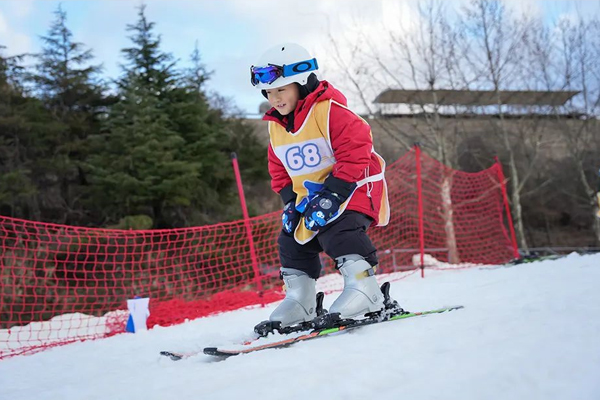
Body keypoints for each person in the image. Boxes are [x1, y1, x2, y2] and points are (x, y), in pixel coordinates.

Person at [251, 43, 391, 329]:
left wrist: (335, 193)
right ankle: (300, 300)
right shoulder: (276, 126)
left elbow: (357, 148)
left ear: (302, 83)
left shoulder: (329, 112)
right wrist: (289, 203)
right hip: (311, 197)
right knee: (290, 241)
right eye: (269, 92)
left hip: (352, 188)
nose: (273, 98)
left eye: (281, 89)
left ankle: (366, 290)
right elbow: (278, 168)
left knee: (339, 230)